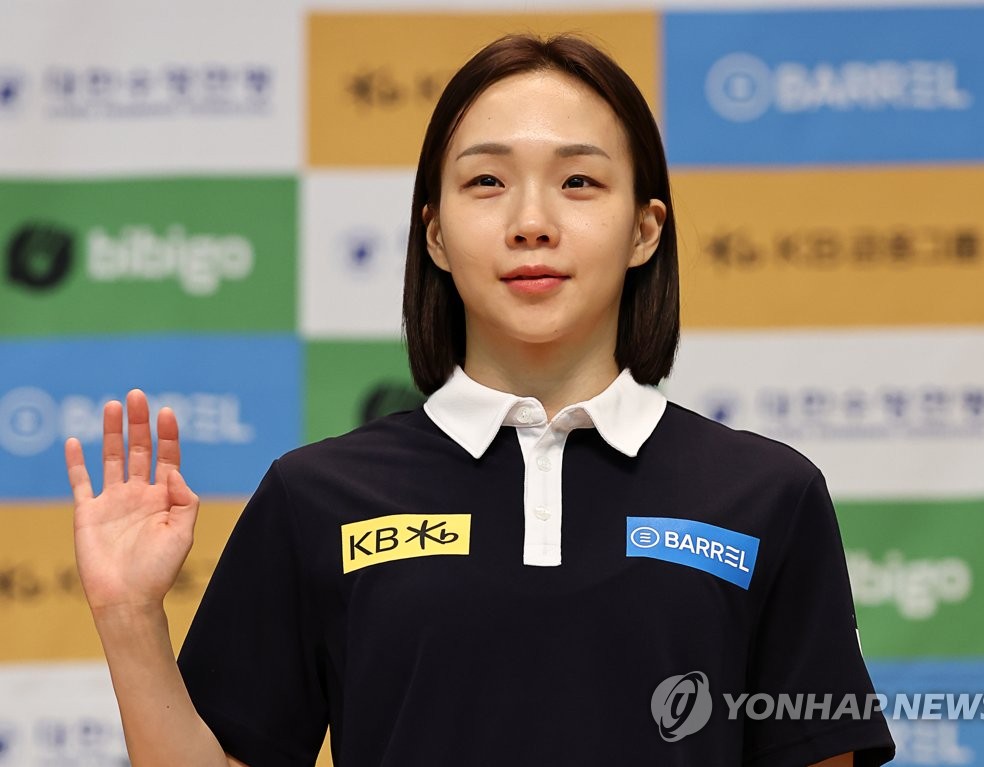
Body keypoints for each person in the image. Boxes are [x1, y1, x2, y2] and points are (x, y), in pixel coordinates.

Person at [65, 33, 896, 767]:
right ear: (435, 233)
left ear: (645, 229)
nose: (532, 222)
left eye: (578, 181)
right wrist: (129, 616)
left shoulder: (767, 495)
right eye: (488, 181)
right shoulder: (315, 495)